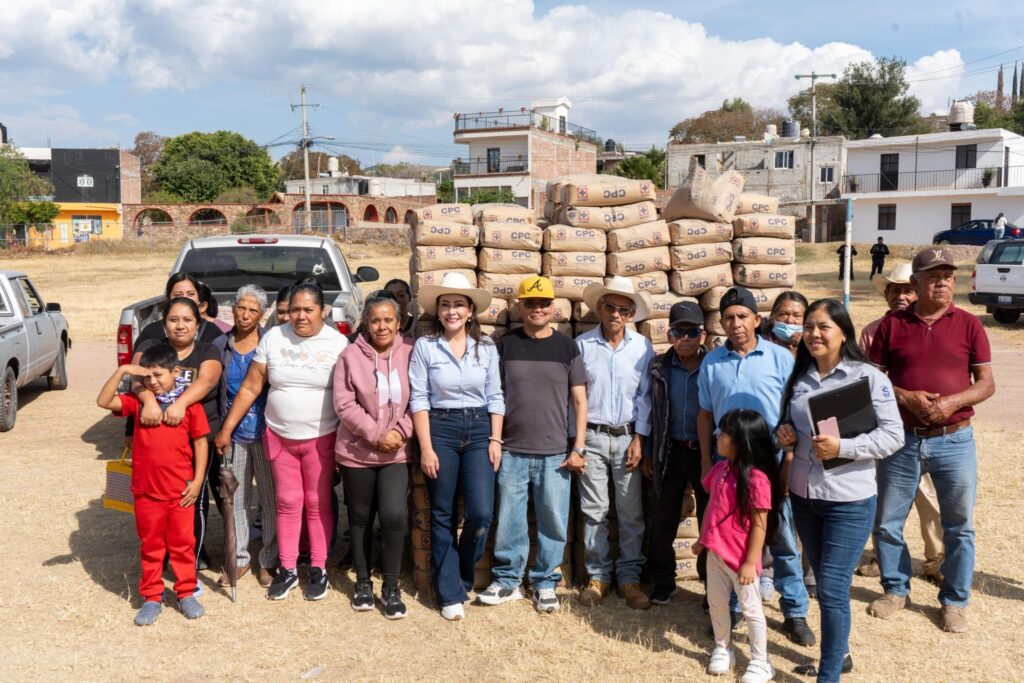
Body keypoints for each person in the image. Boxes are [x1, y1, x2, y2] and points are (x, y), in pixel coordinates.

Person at [868, 247, 995, 633]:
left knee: (959, 525)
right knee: (889, 522)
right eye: (933, 276)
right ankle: (895, 589)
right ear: (916, 283)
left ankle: (954, 601)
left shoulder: (970, 324)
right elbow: (872, 381)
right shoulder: (892, 325)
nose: (942, 282)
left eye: (948, 276)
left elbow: (986, 383)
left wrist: (953, 402)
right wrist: (905, 396)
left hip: (954, 439)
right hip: (902, 439)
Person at [777, 299, 904, 682]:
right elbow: (792, 426)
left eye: (824, 327)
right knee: (824, 582)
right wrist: (783, 435)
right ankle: (840, 653)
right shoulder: (799, 377)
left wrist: (844, 448)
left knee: (831, 589)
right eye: (810, 326)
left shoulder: (867, 377)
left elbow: (893, 435)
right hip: (804, 497)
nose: (814, 334)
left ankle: (828, 675)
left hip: (848, 499)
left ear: (843, 333)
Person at [216, 283, 349, 602]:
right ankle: (287, 569)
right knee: (287, 502)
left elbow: (348, 392)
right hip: (279, 436)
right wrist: (226, 429)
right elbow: (251, 387)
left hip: (322, 437)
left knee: (317, 503)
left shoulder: (337, 343)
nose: (300, 316)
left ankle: (318, 568)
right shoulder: (275, 337)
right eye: (295, 310)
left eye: (309, 310)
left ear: (323, 312)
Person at [697, 286, 814, 646]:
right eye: (728, 318)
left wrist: (790, 457)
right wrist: (706, 460)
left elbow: (794, 412)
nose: (735, 324)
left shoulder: (779, 358)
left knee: (781, 534)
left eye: (742, 316)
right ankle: (730, 608)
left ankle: (794, 610)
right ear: (720, 322)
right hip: (727, 461)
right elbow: (704, 414)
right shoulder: (711, 361)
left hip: (772, 457)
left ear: (757, 320)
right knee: (730, 536)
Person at [477, 276, 588, 614]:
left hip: (555, 451)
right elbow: (493, 394)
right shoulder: (504, 345)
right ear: (518, 307)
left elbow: (580, 402)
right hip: (511, 449)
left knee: (553, 520)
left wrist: (578, 447)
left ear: (554, 307)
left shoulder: (567, 347)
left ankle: (543, 582)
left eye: (543, 303)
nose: (537, 309)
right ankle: (508, 580)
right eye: (530, 303)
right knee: (509, 518)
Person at [409, 272, 505, 621]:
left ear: (470, 311)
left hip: (480, 428)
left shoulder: (487, 348)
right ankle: (449, 590)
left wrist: (495, 438)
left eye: (458, 305)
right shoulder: (425, 347)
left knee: (480, 512)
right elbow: (419, 398)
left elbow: (495, 395)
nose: (452, 311)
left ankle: (463, 573)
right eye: (445, 305)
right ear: (438, 311)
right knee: (442, 512)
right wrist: (426, 447)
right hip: (441, 428)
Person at [97, 344, 209, 625]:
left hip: (180, 492)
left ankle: (185, 593)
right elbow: (103, 401)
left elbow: (200, 443)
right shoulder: (138, 404)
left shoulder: (188, 405)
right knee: (151, 546)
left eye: (158, 375)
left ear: (176, 372)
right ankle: (151, 596)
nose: (153, 382)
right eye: (147, 377)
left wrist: (197, 481)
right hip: (146, 491)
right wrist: (123, 370)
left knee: (183, 544)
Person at [856, 263, 944, 586]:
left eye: (907, 289)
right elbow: (863, 380)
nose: (901, 296)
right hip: (882, 430)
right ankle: (884, 559)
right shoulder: (871, 331)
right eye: (895, 290)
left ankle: (936, 562)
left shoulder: (930, 326)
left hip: (921, 428)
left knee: (929, 499)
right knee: (885, 501)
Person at [333, 294, 414, 619]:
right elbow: (344, 403)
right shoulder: (350, 356)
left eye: (388, 320)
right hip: (357, 453)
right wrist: (377, 433)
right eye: (375, 320)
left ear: (399, 322)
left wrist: (400, 432)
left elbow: (421, 398)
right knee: (360, 518)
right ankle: (363, 583)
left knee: (395, 515)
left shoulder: (410, 353)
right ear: (366, 323)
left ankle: (391, 587)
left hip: (398, 453)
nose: (382, 326)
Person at [575, 276, 654, 610]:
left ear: (631, 314)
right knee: (594, 511)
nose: (616, 315)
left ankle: (629, 578)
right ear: (599, 308)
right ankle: (598, 577)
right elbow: (574, 399)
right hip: (591, 435)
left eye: (624, 309)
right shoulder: (581, 345)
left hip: (626, 437)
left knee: (630, 512)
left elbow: (645, 396)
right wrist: (576, 442)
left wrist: (640, 438)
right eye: (610, 307)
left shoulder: (642, 348)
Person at [133, 298, 223, 571]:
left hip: (198, 435)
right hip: (159, 438)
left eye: (187, 320)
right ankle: (161, 553)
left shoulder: (207, 350)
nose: (180, 326)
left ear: (198, 324)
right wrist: (148, 400)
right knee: (160, 499)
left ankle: (194, 552)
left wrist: (180, 404)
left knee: (192, 497)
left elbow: (207, 381)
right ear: (164, 323)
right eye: (174, 320)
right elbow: (137, 378)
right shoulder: (152, 349)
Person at [696, 409, 781, 683]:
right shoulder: (720, 470)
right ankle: (723, 647)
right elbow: (712, 506)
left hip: (741, 561)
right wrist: (702, 538)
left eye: (723, 433)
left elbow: (759, 526)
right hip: (715, 554)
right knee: (716, 604)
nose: (717, 437)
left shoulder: (757, 480)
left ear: (740, 441)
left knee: (751, 610)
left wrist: (749, 561)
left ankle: (760, 661)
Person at [636, 301, 708, 606]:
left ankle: (711, 586)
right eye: (680, 331)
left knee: (710, 521)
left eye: (692, 332)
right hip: (671, 451)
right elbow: (652, 412)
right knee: (663, 520)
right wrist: (649, 451)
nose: (686, 338)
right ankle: (665, 582)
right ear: (670, 334)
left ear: (703, 336)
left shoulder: (714, 365)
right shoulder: (659, 367)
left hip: (707, 454)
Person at [211, 285, 277, 589]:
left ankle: (268, 559)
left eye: (253, 310)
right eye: (241, 307)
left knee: (270, 498)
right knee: (235, 497)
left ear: (262, 314)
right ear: (232, 308)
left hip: (268, 432)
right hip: (232, 431)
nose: (246, 315)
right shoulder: (220, 344)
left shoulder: (272, 342)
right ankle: (238, 559)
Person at [135, 273, 225, 346]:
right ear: (168, 299)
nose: (185, 299)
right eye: (178, 295)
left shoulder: (213, 332)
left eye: (191, 294)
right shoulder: (151, 332)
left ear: (199, 300)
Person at [762, 291, 809, 357]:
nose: (790, 321)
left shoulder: (811, 345)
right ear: (772, 317)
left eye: (797, 315)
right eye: (783, 314)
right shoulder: (761, 344)